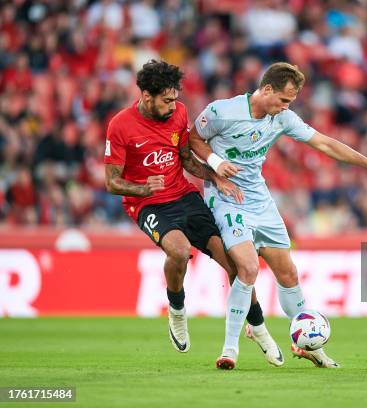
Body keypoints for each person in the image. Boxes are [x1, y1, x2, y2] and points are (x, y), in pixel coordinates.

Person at [189, 62, 367, 370]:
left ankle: (308, 346)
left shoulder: (282, 118)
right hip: (226, 199)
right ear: (267, 89)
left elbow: (325, 143)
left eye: (291, 102)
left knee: (287, 273)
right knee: (247, 268)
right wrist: (216, 163)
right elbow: (193, 138)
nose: (286, 107)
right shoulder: (223, 111)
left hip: (260, 201)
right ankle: (229, 348)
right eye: (284, 100)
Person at [104, 60, 284, 367]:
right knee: (180, 250)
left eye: (175, 98)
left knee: (235, 263)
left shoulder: (180, 113)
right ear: (147, 96)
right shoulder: (120, 125)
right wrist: (143, 189)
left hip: (184, 196)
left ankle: (258, 327)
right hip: (147, 204)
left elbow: (186, 159)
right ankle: (177, 310)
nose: (174, 106)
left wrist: (216, 177)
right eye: (167, 100)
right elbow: (111, 182)